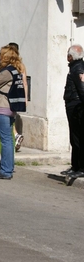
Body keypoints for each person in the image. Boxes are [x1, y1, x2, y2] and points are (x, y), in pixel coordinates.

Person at [0, 45, 25, 179]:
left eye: (1, 54)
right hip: (11, 107)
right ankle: (6, 166)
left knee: (5, 140)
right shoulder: (16, 70)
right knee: (8, 139)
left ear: (5, 57)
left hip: (2, 106)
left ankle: (6, 170)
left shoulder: (6, 72)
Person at [61, 44, 84, 180]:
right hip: (73, 105)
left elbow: (82, 89)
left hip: (76, 107)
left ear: (71, 56)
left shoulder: (78, 69)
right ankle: (75, 166)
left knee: (77, 138)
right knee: (74, 137)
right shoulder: (76, 67)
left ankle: (80, 167)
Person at [8, 42, 28, 152]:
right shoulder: (21, 65)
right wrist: (25, 98)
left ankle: (15, 135)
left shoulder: (8, 66)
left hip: (10, 94)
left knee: (8, 118)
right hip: (19, 94)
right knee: (12, 117)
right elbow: (24, 82)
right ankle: (15, 136)